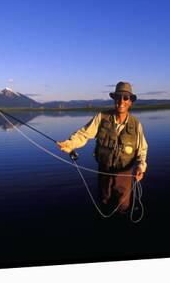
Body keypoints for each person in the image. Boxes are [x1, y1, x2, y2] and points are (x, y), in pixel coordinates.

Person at [57, 81, 148, 214]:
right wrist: (69, 144)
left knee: (123, 206)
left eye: (125, 98)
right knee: (104, 202)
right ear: (114, 100)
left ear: (130, 102)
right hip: (103, 172)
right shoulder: (101, 117)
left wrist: (141, 167)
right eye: (118, 97)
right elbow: (84, 134)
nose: (121, 101)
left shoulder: (136, 124)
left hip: (125, 174)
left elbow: (142, 150)